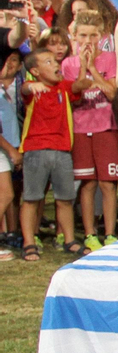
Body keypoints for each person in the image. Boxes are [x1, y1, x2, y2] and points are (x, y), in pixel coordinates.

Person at [59, 10, 118, 250]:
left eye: (93, 35)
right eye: (83, 35)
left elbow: (112, 93)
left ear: (101, 36)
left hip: (107, 127)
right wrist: (83, 66)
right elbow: (72, 97)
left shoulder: (111, 58)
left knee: (108, 183)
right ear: (74, 36)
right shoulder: (68, 64)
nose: (88, 41)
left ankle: (111, 233)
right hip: (81, 129)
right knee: (88, 183)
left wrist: (93, 69)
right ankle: (89, 234)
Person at [18, 50, 78, 261]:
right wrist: (31, 85)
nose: (55, 64)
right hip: (36, 150)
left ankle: (69, 240)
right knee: (32, 198)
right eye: (48, 61)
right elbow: (24, 89)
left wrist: (87, 65)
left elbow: (80, 87)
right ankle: (28, 242)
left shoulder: (63, 87)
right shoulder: (32, 89)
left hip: (62, 150)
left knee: (65, 198)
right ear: (35, 71)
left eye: (55, 60)